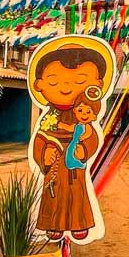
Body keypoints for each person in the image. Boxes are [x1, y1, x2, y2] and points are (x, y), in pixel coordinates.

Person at [29, 41, 110, 242]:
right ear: (39, 84)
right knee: (53, 192)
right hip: (54, 166)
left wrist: (84, 149)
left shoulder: (84, 114)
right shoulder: (49, 118)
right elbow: (40, 138)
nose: (66, 87)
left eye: (80, 81)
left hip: (75, 168)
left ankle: (79, 224)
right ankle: (53, 225)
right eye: (54, 82)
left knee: (77, 194)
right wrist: (43, 154)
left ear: (97, 85)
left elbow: (91, 137)